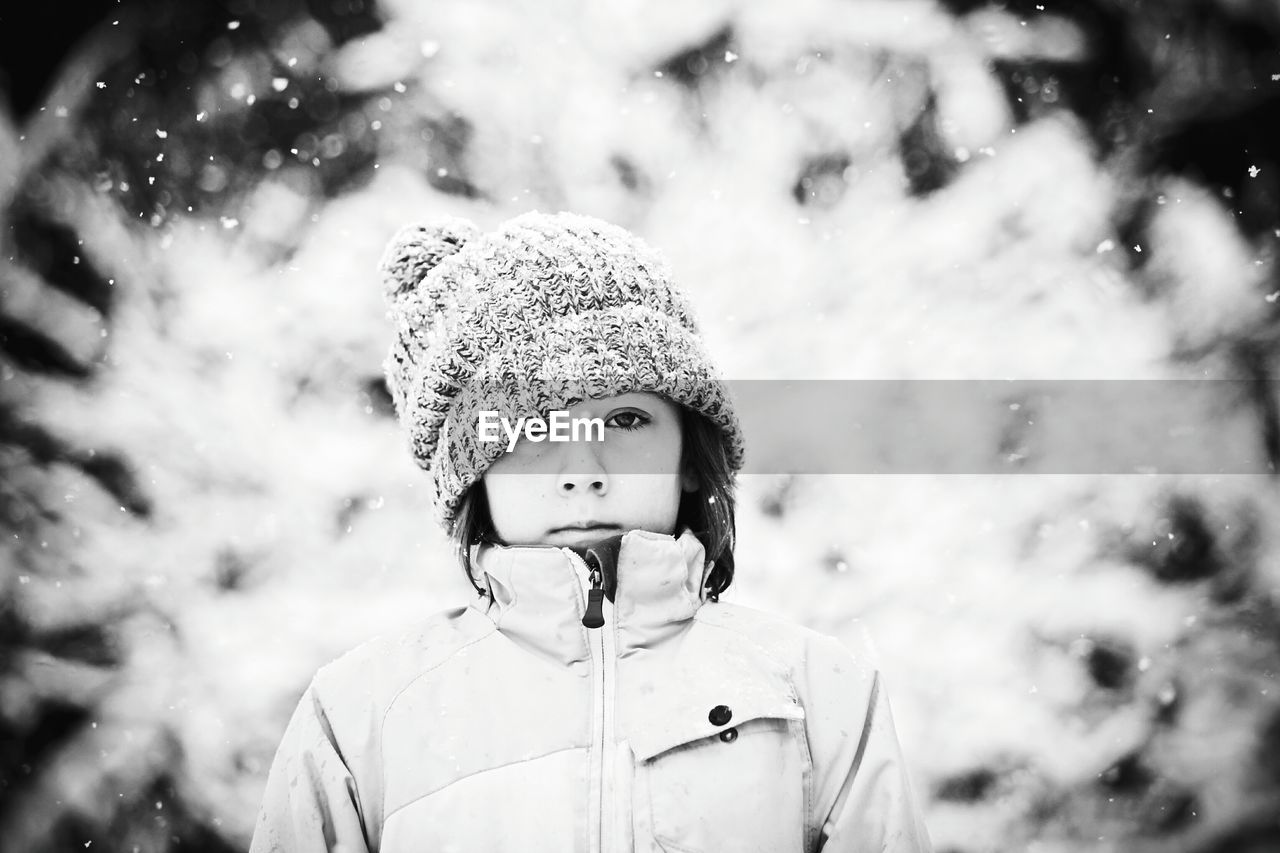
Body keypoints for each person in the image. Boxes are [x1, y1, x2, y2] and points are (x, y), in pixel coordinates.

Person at [248, 211, 933, 852]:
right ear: (472, 470)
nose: (583, 468)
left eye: (625, 419)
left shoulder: (817, 694)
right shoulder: (360, 717)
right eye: (534, 426)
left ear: (689, 458)